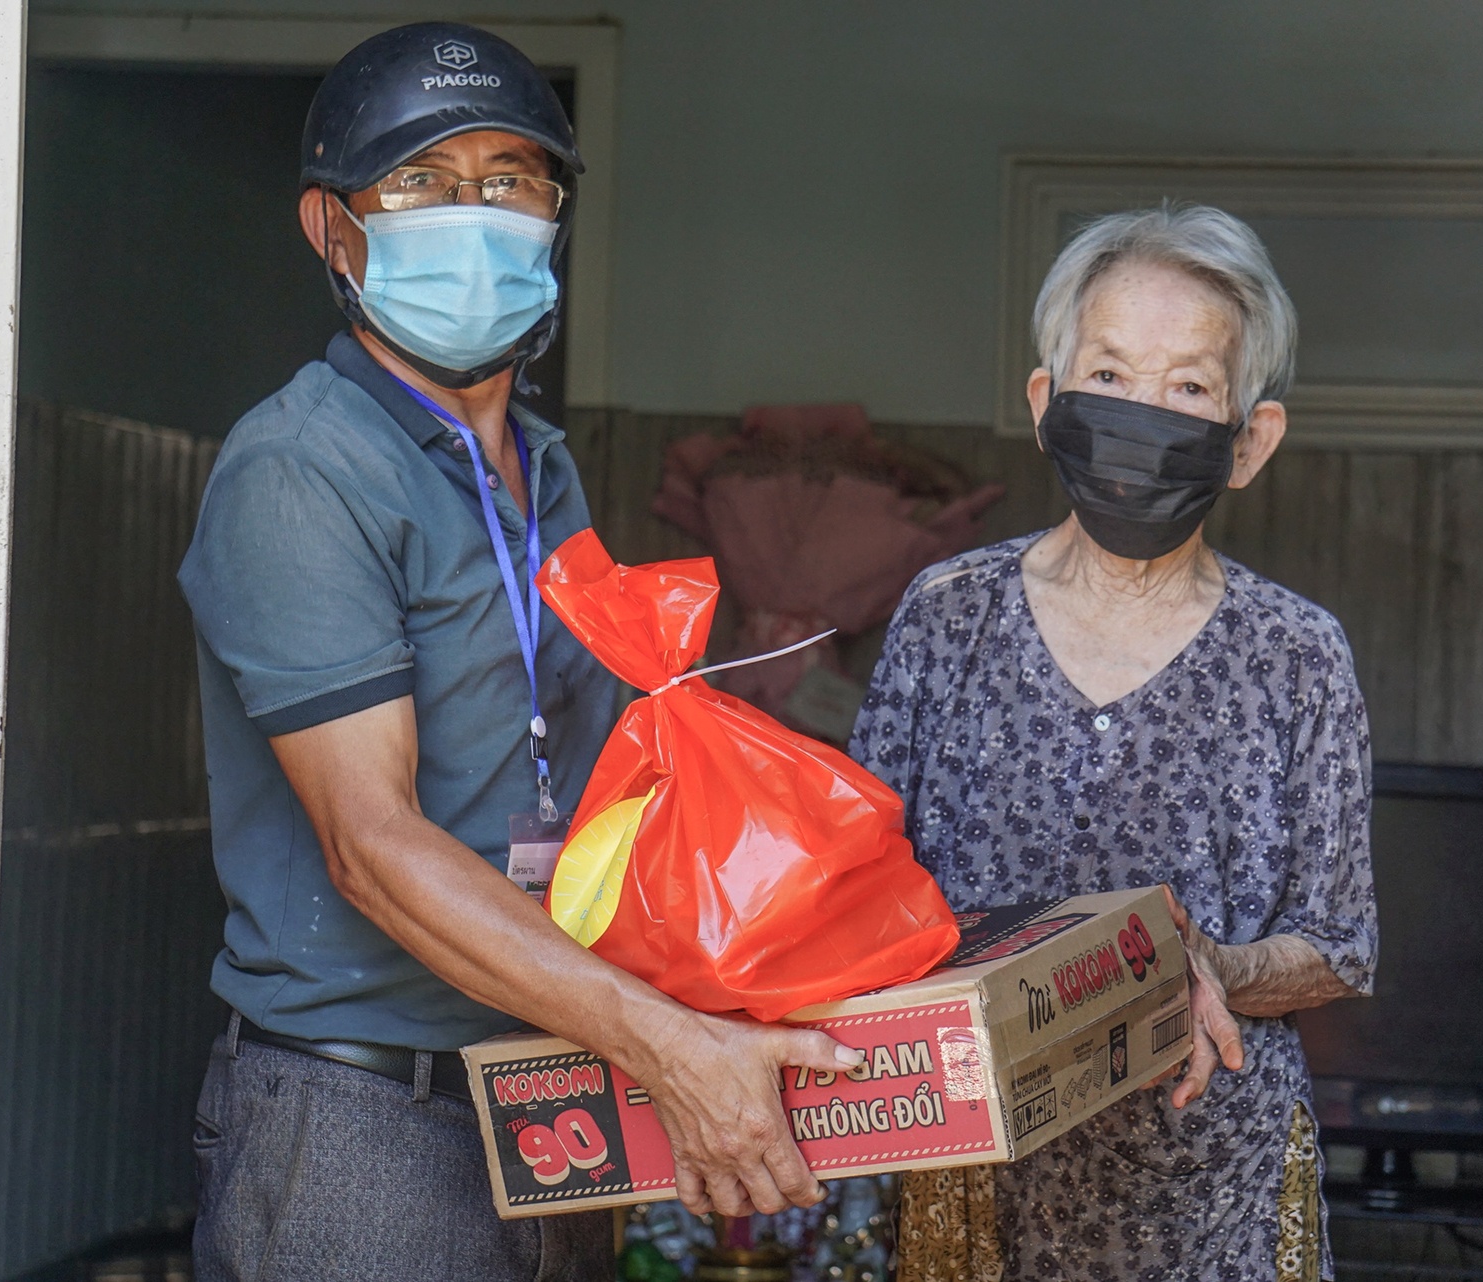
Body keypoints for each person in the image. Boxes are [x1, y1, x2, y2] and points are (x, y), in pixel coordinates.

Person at [177, 24, 860, 1282]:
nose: (476, 214)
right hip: (365, 1126)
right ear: (334, 231)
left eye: (511, 180)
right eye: (424, 184)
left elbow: (601, 788)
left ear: (554, 218)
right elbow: (372, 852)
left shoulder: (540, 468)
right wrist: (665, 1043)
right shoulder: (301, 470)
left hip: (551, 1097)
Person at [850, 205, 1378, 1282]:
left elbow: (1339, 942)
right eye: (1111, 374)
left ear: (1250, 440)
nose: (1144, 414)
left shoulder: (1296, 653)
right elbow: (852, 887)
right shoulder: (950, 614)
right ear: (1048, 405)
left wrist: (1207, 965)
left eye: (1189, 388)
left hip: (1210, 1200)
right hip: (971, 1182)